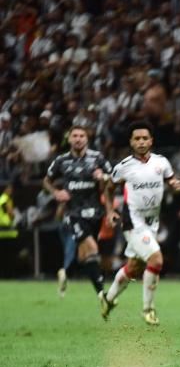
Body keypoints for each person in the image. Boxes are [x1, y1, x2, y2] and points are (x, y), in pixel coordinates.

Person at [100, 121, 180, 326]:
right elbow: (109, 189)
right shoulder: (123, 167)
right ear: (131, 142)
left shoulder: (162, 163)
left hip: (151, 223)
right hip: (132, 222)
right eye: (137, 138)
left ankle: (108, 299)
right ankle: (148, 309)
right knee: (156, 260)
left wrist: (175, 186)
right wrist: (110, 211)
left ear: (151, 140)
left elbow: (172, 184)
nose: (141, 142)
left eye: (145, 138)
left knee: (134, 266)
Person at [43, 126, 112, 301]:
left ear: (87, 139)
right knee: (92, 250)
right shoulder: (61, 160)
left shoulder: (97, 158)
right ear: (69, 139)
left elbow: (113, 179)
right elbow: (46, 180)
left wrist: (102, 177)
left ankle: (65, 273)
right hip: (74, 213)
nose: (78, 139)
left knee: (85, 256)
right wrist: (56, 193)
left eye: (82, 135)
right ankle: (101, 295)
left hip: (96, 213)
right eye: (75, 135)